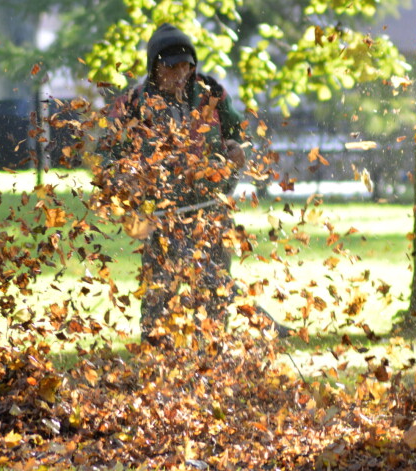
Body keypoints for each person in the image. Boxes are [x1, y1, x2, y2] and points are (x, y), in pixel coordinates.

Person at [98, 24, 288, 343]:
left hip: (211, 209)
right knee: (161, 291)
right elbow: (106, 158)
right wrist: (125, 179)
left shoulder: (211, 93)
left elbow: (240, 134)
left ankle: (210, 354)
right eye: (173, 66)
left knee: (216, 288)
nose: (181, 72)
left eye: (187, 65)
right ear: (155, 67)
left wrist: (238, 150)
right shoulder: (132, 103)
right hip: (162, 216)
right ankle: (156, 354)